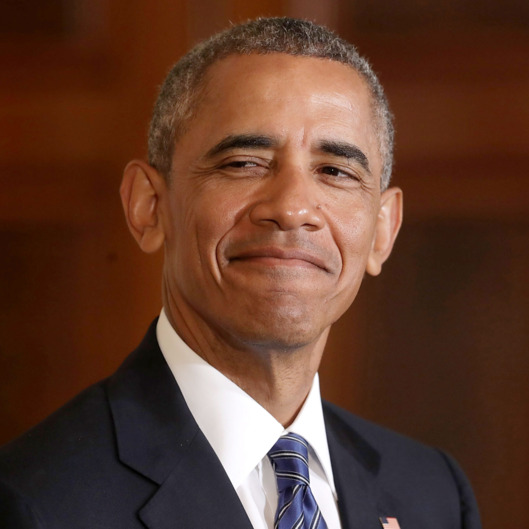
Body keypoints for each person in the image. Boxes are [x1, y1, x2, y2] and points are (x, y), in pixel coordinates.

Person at [0, 17, 481, 529]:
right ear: (149, 207)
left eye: (335, 171)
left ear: (383, 230)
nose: (292, 208)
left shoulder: (433, 495)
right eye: (243, 163)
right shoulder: (34, 504)